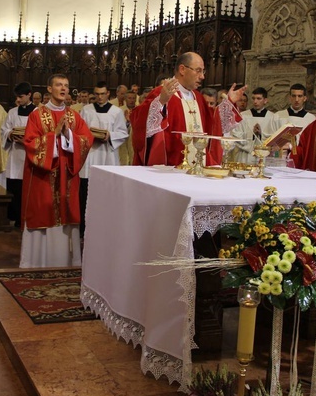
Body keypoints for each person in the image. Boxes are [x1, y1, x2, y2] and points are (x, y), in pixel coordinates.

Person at [21, 74, 93, 268]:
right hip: (43, 178)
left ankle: (66, 263)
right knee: (42, 211)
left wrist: (68, 134)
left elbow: (86, 140)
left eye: (66, 86)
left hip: (67, 176)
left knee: (66, 213)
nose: (63, 89)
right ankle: (36, 263)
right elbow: (30, 144)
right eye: (59, 85)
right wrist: (53, 137)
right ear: (49, 89)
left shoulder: (74, 116)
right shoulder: (36, 115)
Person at [130, 52, 245, 166]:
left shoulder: (198, 97)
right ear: (182, 69)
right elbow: (139, 121)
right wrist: (160, 102)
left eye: (203, 71)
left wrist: (228, 103)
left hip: (198, 165)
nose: (202, 76)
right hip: (170, 167)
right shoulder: (162, 93)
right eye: (198, 70)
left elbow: (211, 121)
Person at [79, 81, 128, 237]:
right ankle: (84, 229)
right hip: (89, 157)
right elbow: (79, 132)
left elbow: (122, 133)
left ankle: (105, 228)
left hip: (108, 157)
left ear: (108, 94)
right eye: (97, 94)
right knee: (85, 195)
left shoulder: (116, 112)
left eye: (102, 94)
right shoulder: (86, 110)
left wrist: (109, 135)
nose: (99, 97)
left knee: (106, 196)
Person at [1, 82, 36, 228]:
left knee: (29, 189)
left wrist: (27, 141)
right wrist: (11, 135)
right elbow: (5, 129)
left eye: (21, 97)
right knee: (15, 187)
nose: (18, 100)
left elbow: (43, 134)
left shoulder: (38, 113)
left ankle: (28, 217)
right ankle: (15, 217)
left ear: (29, 95)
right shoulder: (12, 112)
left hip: (31, 156)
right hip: (15, 156)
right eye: (17, 97)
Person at [231, 87, 279, 164]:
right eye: (253, 98)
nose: (255, 101)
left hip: (264, 158)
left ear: (265, 100)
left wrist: (260, 134)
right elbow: (236, 136)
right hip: (245, 156)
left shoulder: (273, 117)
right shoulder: (243, 116)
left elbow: (275, 139)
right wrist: (252, 135)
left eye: (258, 98)